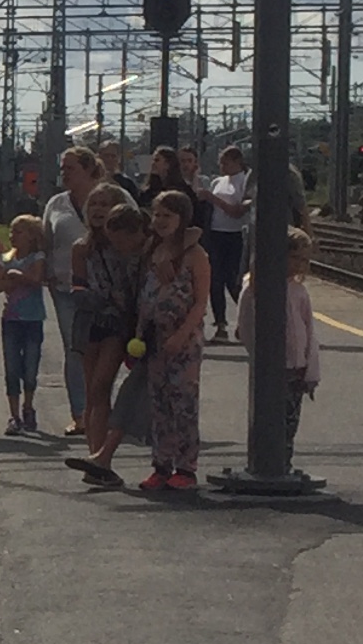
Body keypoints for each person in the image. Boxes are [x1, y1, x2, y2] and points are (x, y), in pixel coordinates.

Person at [129, 187, 212, 494]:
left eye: (168, 215)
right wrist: (139, 333)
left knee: (183, 403)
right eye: (157, 214)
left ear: (182, 218)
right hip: (154, 338)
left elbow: (200, 302)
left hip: (183, 339)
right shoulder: (153, 251)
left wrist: (182, 334)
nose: (161, 220)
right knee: (159, 404)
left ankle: (186, 467)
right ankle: (161, 464)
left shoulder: (195, 255)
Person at [67, 191, 146, 491]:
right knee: (92, 392)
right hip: (90, 321)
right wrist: (100, 298)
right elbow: (77, 288)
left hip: (117, 324)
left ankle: (101, 459)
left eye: (105, 204)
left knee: (102, 386)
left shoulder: (127, 244)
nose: (98, 210)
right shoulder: (82, 247)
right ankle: (96, 460)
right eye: (94, 205)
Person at [237, 227, 319, 464]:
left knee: (289, 423)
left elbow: (310, 332)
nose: (300, 264)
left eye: (304, 260)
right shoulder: (253, 289)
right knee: (269, 420)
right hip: (271, 369)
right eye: (295, 257)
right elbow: (246, 324)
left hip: (296, 369)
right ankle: (266, 462)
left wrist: (311, 372)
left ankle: (285, 462)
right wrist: (257, 354)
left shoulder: (299, 292)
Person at [42, 147, 97, 436]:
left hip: (102, 287)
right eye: (63, 168)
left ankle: (102, 410)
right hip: (65, 288)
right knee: (74, 349)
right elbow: (46, 241)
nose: (64, 173)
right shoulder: (56, 204)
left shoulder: (111, 197)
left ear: (88, 169)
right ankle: (80, 414)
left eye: (70, 168)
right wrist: (47, 271)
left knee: (103, 349)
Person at [0, 214, 49, 435]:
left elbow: (37, 279)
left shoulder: (37, 257)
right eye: (11, 231)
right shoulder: (7, 258)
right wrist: (8, 280)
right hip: (11, 320)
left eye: (18, 232)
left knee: (30, 367)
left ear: (31, 236)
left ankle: (28, 406)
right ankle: (14, 415)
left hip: (33, 319)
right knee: (11, 367)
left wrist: (19, 277)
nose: (12, 236)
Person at [203, 145, 253, 340]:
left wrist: (213, 199)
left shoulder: (245, 181)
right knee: (215, 280)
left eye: (225, 163)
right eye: (220, 163)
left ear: (237, 162)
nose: (222, 166)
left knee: (234, 280)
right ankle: (220, 324)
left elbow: (237, 212)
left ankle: (246, 319)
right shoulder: (217, 182)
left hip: (235, 235)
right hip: (216, 234)